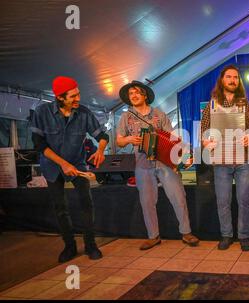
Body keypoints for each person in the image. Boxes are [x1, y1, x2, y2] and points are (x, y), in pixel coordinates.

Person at [31, 76, 108, 262]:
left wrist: (101, 149)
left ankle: (91, 245)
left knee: (86, 203)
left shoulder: (83, 113)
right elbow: (38, 144)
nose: (78, 99)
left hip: (78, 163)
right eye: (73, 96)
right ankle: (69, 246)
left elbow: (102, 135)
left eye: (78, 94)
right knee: (60, 207)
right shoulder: (42, 112)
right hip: (52, 166)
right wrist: (63, 164)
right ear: (60, 97)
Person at [116, 80, 199, 250]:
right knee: (147, 201)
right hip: (142, 164)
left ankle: (186, 232)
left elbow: (172, 138)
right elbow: (119, 141)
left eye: (137, 92)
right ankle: (153, 236)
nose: (134, 96)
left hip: (163, 162)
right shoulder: (126, 117)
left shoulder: (159, 114)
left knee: (178, 196)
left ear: (145, 95)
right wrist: (129, 139)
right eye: (131, 94)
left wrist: (185, 154)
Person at [200, 65, 249, 251]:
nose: (233, 80)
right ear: (222, 80)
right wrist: (206, 142)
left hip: (243, 160)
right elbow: (203, 131)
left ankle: (244, 236)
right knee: (223, 201)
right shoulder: (212, 104)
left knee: (244, 199)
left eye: (236, 77)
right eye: (229, 77)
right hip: (221, 161)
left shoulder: (245, 104)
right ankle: (226, 235)